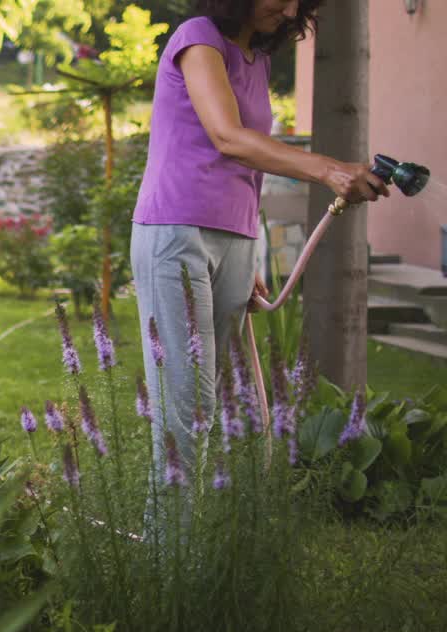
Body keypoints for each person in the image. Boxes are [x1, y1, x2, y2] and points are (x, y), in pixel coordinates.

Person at [130, 0, 387, 530]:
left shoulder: (255, 58)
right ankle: (169, 567)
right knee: (187, 405)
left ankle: (200, 548)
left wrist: (245, 249)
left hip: (233, 241)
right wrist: (328, 169)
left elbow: (251, 164)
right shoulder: (198, 38)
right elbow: (228, 138)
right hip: (177, 232)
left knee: (217, 404)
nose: (289, 8)